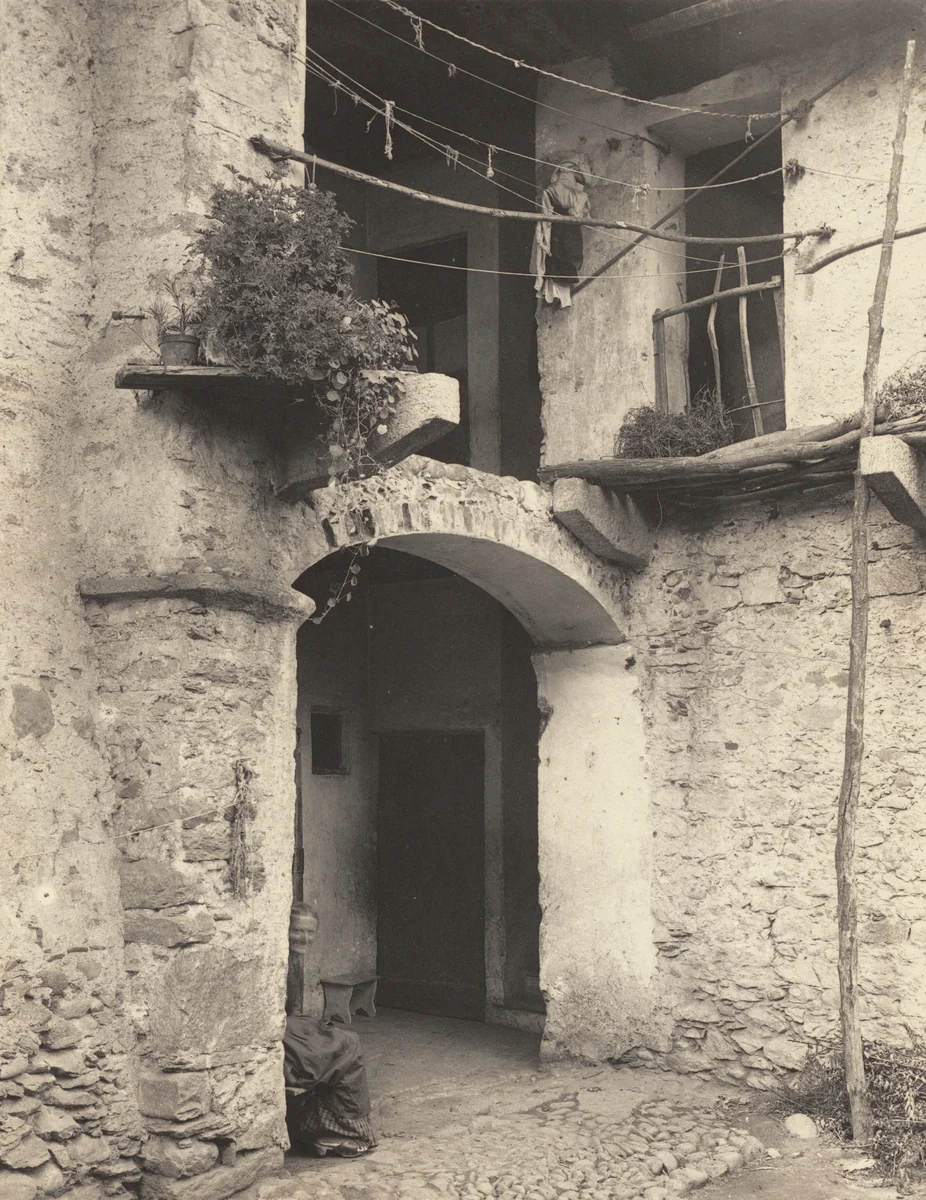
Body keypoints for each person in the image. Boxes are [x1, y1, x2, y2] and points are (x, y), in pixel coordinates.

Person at [283, 903, 377, 1158]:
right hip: (279, 1030)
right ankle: (339, 1132)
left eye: (310, 933)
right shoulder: (277, 959)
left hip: (289, 1025)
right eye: (298, 931)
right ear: (285, 928)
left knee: (344, 1040)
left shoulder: (294, 959)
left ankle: (327, 1129)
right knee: (347, 1045)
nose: (304, 938)